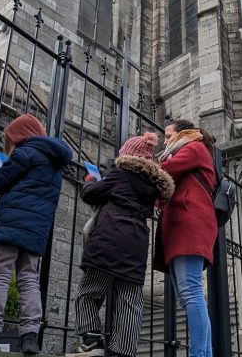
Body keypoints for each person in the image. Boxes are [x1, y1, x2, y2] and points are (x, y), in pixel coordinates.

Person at [0, 114, 72, 353]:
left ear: (19, 135)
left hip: (11, 224)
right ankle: (30, 337)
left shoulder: (24, 153)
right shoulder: (55, 163)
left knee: (0, 275)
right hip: (37, 230)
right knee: (29, 280)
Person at [70, 132, 174, 357]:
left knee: (89, 292)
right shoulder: (153, 184)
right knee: (131, 300)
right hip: (136, 244)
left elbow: (90, 194)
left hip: (109, 238)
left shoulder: (119, 174)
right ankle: (124, 351)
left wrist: (91, 180)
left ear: (127, 155)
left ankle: (92, 341)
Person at [153, 119, 217, 357]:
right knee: (187, 295)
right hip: (182, 227)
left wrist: (142, 166)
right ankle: (204, 353)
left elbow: (165, 172)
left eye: (168, 136)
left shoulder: (194, 147)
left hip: (189, 226)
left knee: (191, 292)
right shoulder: (188, 150)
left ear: (183, 133)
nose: (165, 141)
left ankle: (199, 354)